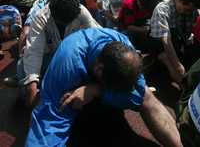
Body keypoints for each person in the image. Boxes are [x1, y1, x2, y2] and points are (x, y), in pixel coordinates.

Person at [26, 28, 182, 147]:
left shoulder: (126, 51)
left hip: (101, 81)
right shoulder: (67, 67)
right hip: (71, 88)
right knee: (64, 108)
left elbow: (139, 96)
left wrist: (96, 90)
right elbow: (48, 125)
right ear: (99, 70)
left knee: (147, 96)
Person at [4, 0, 100, 107]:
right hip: (49, 54)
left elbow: (96, 37)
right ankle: (24, 86)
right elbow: (35, 50)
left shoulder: (81, 11)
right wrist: (32, 83)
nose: (66, 24)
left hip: (74, 53)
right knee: (22, 64)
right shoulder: (41, 16)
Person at [150, 0, 200, 84]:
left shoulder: (192, 10)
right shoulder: (162, 9)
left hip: (178, 40)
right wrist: (177, 66)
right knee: (175, 67)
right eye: (187, 10)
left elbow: (191, 30)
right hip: (160, 43)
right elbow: (165, 41)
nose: (188, 13)